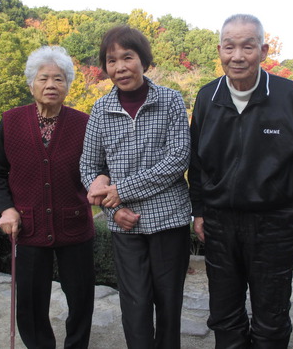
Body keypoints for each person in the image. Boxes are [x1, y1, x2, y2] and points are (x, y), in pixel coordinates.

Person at [189, 14, 293, 348]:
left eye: (247, 47)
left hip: (275, 223)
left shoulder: (288, 95)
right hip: (221, 223)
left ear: (263, 50)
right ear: (220, 50)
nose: (238, 56)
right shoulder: (208, 97)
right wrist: (199, 211)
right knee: (224, 313)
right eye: (230, 47)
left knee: (271, 315)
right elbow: (197, 161)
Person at [80, 25, 192, 349]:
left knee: (169, 303)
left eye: (127, 57)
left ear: (144, 60)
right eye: (112, 61)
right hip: (124, 225)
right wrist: (111, 208)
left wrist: (121, 191)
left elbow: (178, 160)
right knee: (135, 305)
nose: (120, 67)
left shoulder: (170, 100)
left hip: (169, 221)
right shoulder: (101, 109)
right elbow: (89, 167)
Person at [0, 45, 95, 349]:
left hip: (74, 225)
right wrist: (5, 208)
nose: (51, 85)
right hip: (29, 226)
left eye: (59, 79)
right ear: (31, 84)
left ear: (68, 85)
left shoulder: (85, 123)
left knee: (81, 297)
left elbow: (99, 170)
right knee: (31, 303)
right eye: (43, 78)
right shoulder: (10, 121)